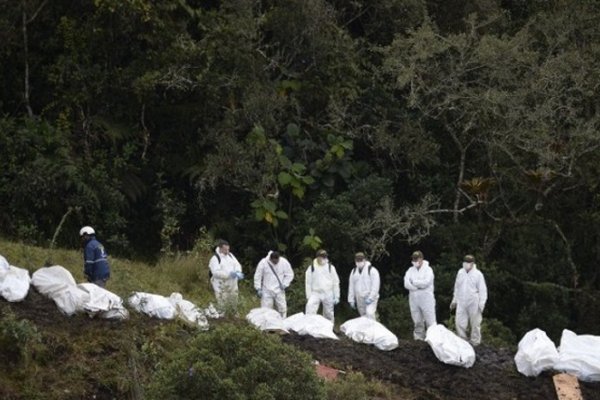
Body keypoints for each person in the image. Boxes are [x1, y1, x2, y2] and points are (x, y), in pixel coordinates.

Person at [450, 254, 488, 346]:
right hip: (461, 300)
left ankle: (475, 342)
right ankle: (462, 341)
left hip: (474, 300)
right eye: (465, 262)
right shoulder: (460, 272)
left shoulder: (478, 274)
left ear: (472, 263)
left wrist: (481, 304)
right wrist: (454, 300)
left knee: (475, 323)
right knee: (459, 322)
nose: (466, 264)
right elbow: (457, 287)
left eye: (469, 262)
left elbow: (483, 290)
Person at [404, 250, 436, 340]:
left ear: (421, 259)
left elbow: (426, 283)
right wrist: (416, 287)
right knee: (417, 321)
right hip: (414, 299)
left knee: (430, 321)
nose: (415, 262)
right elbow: (406, 283)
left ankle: (433, 339)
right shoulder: (410, 270)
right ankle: (418, 339)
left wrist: (414, 282)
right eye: (413, 260)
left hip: (426, 299)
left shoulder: (428, 270)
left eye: (416, 259)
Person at [254, 251, 294, 318]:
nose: (275, 263)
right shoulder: (263, 263)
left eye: (277, 261)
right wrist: (258, 288)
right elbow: (258, 275)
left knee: (282, 308)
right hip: (267, 289)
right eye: (274, 261)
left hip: (279, 289)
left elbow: (290, 274)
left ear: (279, 258)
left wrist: (285, 284)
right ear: (270, 259)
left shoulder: (284, 262)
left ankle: (282, 323)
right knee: (266, 309)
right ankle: (266, 325)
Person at [208, 240, 244, 312]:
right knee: (223, 303)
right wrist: (229, 274)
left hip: (233, 284)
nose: (227, 251)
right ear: (220, 248)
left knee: (234, 301)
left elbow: (237, 264)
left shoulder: (230, 255)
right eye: (225, 249)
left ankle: (233, 317)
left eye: (228, 249)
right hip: (221, 285)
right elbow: (215, 273)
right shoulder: (215, 258)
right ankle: (223, 319)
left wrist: (238, 272)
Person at [305, 249, 340, 322]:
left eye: (325, 257)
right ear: (317, 257)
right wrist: (308, 295)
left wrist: (336, 295)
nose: (323, 259)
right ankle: (309, 327)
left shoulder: (330, 267)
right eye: (322, 257)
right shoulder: (312, 267)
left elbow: (335, 282)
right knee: (310, 308)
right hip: (315, 293)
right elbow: (308, 283)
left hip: (328, 293)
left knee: (328, 313)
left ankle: (329, 328)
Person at [348, 252, 380, 320]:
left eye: (361, 260)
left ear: (364, 260)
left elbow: (375, 286)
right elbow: (351, 286)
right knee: (363, 316)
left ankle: (372, 330)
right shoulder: (353, 272)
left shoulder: (372, 270)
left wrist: (371, 298)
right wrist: (351, 299)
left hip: (370, 297)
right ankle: (365, 330)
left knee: (370, 313)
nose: (359, 262)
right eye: (357, 260)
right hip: (359, 298)